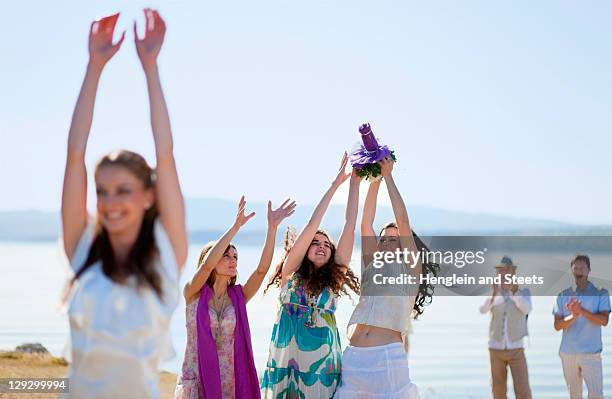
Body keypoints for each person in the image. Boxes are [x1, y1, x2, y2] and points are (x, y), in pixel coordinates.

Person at [61, 10, 187, 398]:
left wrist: (150, 68)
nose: (110, 202)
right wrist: (94, 67)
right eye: (102, 191)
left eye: (123, 190)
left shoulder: (166, 254)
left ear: (149, 196)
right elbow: (75, 154)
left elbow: (164, 154)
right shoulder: (83, 251)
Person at [334, 157, 437, 399]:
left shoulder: (411, 270)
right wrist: (375, 176)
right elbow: (365, 223)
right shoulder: (372, 265)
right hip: (354, 358)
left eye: (395, 239)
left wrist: (388, 175)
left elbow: (403, 221)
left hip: (387, 360)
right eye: (384, 238)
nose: (388, 242)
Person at [261, 153, 361, 398]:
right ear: (304, 249)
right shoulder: (290, 274)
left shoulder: (333, 282)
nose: (321, 246)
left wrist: (355, 182)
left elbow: (350, 224)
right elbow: (312, 224)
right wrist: (335, 184)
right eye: (315, 242)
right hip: (286, 364)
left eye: (327, 244)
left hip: (322, 370)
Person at [174, 197, 295, 399]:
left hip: (229, 380)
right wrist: (235, 227)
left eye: (235, 257)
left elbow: (261, 271)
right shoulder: (193, 292)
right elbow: (206, 267)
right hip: (196, 377)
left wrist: (272, 228)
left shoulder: (238, 297)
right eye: (226, 255)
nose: (232, 261)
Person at [553, 254, 610, 399]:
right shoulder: (563, 294)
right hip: (568, 353)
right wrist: (574, 316)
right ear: (571, 270)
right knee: (574, 396)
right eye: (576, 268)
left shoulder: (601, 293)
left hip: (591, 354)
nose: (579, 271)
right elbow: (557, 325)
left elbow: (604, 320)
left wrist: (581, 311)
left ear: (589, 270)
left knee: (597, 396)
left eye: (583, 268)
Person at [479, 256, 532, 399]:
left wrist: (514, 293)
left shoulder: (523, 291)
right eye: (501, 272)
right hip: (496, 347)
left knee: (523, 389)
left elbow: (526, 309)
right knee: (498, 390)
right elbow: (482, 310)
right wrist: (494, 295)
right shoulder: (493, 292)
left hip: (516, 348)